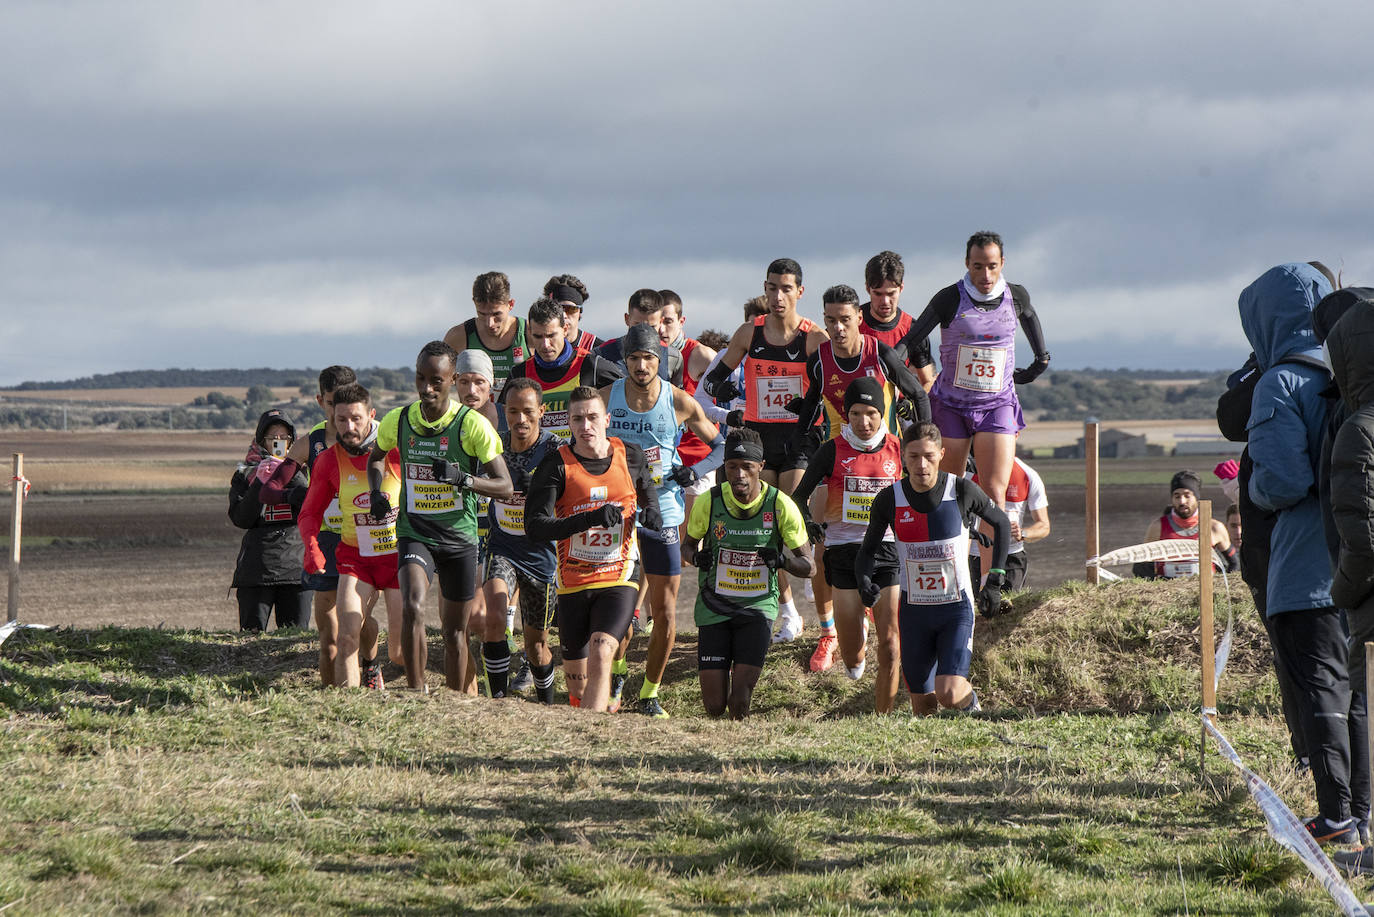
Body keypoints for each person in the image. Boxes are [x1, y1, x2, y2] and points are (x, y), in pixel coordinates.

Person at [1238, 261, 1360, 844]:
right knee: (1357, 695)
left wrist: (1256, 487)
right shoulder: (1350, 373)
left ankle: (1335, 818)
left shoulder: (1279, 382)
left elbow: (1282, 481)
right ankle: (1361, 814)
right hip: (1354, 562)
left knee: (1319, 692)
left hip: (1304, 564)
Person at [786, 284, 931, 668]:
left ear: (859, 319)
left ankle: (901, 620)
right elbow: (814, 398)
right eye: (830, 320)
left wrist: (924, 444)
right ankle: (829, 631)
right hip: (835, 459)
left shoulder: (879, 354)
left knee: (896, 540)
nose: (836, 328)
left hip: (886, 460)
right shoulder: (820, 358)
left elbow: (918, 393)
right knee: (820, 546)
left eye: (844, 320)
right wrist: (801, 437)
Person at [368, 341, 512, 692]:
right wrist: (376, 492)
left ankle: (455, 700)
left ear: (453, 380)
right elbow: (376, 456)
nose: (426, 388)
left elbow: (505, 486)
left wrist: (464, 479)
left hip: (460, 540)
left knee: (454, 632)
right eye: (420, 378)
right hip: (415, 532)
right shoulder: (399, 419)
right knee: (413, 606)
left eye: (436, 380)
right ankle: (417, 694)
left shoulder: (471, 425)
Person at [907, 232, 1050, 581]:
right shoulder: (949, 298)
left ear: (1002, 264)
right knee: (948, 487)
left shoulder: (1015, 295)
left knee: (992, 492)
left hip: (996, 405)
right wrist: (901, 376)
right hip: (952, 406)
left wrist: (1040, 358)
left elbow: (1029, 316)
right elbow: (912, 339)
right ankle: (944, 574)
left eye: (991, 266)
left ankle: (992, 581)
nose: (985, 276)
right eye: (977, 267)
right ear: (966, 264)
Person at [702, 259, 829, 643]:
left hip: (798, 441)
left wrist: (809, 406)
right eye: (772, 288)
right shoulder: (749, 332)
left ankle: (823, 613)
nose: (778, 296)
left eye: (786, 289)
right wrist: (725, 394)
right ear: (765, 288)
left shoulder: (813, 338)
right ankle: (789, 614)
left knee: (795, 516)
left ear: (799, 292)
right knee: (764, 529)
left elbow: (830, 388)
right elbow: (714, 380)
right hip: (757, 440)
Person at [602, 323, 724, 717]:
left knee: (666, 610)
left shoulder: (679, 401)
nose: (641, 365)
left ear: (662, 360)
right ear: (625, 360)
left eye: (649, 358)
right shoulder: (607, 398)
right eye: (634, 358)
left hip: (665, 512)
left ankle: (650, 694)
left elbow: (720, 445)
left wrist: (695, 469)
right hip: (618, 513)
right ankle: (618, 673)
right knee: (619, 608)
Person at [856, 422, 1011, 715]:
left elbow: (1001, 523)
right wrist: (864, 581)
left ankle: (973, 708)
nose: (921, 464)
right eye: (913, 456)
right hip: (914, 613)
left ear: (941, 454)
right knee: (924, 707)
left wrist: (994, 581)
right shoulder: (890, 499)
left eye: (928, 456)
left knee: (949, 692)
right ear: (902, 457)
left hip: (955, 610)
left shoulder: (961, 490)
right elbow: (867, 550)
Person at [525, 386, 662, 711]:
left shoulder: (629, 454)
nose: (586, 426)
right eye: (578, 419)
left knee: (602, 650)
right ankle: (593, 719)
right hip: (573, 582)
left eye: (592, 418)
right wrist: (587, 520)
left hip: (619, 575)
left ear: (606, 419)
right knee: (577, 686)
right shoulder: (555, 466)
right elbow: (534, 527)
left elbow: (645, 486)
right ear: (569, 424)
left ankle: (594, 734)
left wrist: (652, 510)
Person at [682, 428, 815, 718]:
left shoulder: (780, 505)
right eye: (732, 466)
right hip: (713, 606)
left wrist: (782, 561)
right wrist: (697, 557)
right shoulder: (710, 501)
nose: (739, 475)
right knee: (714, 706)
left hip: (757, 608)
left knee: (740, 701)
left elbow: (809, 567)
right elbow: (687, 547)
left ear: (761, 468)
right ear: (724, 467)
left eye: (747, 467)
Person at [791, 379, 904, 703]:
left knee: (892, 644)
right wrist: (810, 523)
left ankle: (884, 714)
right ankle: (856, 647)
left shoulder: (896, 449)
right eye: (855, 413)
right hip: (843, 552)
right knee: (853, 658)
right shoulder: (832, 450)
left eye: (871, 413)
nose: (864, 422)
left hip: (886, 548)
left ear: (882, 413)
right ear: (846, 413)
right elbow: (798, 497)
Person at [298, 383, 402, 689]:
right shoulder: (329, 460)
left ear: (371, 415)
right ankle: (351, 711)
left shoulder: (396, 452)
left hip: (397, 558)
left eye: (356, 418)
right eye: (341, 420)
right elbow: (309, 513)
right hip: (356, 559)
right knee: (346, 635)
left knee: (399, 651)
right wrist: (311, 546)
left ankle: (419, 691)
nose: (349, 427)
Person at [481, 377, 562, 702]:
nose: (520, 420)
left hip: (541, 556)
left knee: (536, 645)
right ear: (504, 411)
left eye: (528, 412)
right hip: (503, 547)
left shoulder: (555, 449)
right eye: (513, 411)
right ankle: (497, 699)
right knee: (496, 617)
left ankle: (546, 701)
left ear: (541, 411)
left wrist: (543, 491)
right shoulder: (494, 446)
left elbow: (574, 495)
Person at [282, 365, 357, 685]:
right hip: (325, 541)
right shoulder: (310, 442)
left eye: (347, 402)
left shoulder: (377, 435)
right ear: (319, 400)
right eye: (332, 403)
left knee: (357, 625)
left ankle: (371, 668)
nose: (340, 410)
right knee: (329, 634)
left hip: (363, 539)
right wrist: (300, 493)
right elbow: (272, 487)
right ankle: (329, 699)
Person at [228, 409, 312, 631]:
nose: (279, 442)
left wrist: (289, 472)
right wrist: (260, 483)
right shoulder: (245, 474)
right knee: (251, 637)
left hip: (296, 569)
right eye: (272, 438)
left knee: (294, 638)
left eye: (284, 438)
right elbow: (240, 518)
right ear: (260, 440)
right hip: (257, 570)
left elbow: (313, 506)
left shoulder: (308, 470)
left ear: (294, 441)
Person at [505, 297, 624, 441]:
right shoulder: (519, 374)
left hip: (579, 460)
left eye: (551, 335)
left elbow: (630, 391)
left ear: (565, 329)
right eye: (538, 336)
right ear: (529, 332)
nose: (545, 344)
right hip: (538, 461)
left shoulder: (590, 365)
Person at [659, 289, 720, 519]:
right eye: (658, 322)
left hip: (698, 460)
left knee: (691, 543)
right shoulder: (647, 358)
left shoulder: (699, 354)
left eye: (669, 321)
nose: (662, 329)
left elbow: (738, 385)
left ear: (681, 321)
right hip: (662, 462)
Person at [443, 271, 530, 400]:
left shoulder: (530, 333)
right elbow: (440, 381)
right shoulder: (458, 337)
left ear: (510, 304)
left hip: (519, 418)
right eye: (482, 314)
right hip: (475, 418)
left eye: (496, 314)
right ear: (474, 303)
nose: (490, 323)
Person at [969, 454, 1050, 593]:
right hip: (975, 556)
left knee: (1008, 609)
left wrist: (1022, 533)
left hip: (1011, 558)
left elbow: (1044, 526)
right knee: (977, 610)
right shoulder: (969, 471)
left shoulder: (1028, 475)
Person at [1133, 471, 1233, 579]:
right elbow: (1140, 568)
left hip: (1206, 593)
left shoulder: (1214, 528)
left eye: (1187, 495)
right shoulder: (1158, 527)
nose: (1182, 501)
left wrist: (1219, 584)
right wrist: (1163, 582)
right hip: (1169, 593)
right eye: (1177, 496)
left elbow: (1235, 564)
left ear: (1196, 497)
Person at [860, 251, 936, 390]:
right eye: (878, 293)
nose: (885, 301)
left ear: (901, 288)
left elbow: (928, 381)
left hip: (898, 409)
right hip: (854, 409)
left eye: (891, 293)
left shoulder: (913, 329)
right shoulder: (849, 323)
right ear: (867, 288)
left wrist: (912, 406)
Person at [593, 288, 686, 386]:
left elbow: (676, 398)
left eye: (651, 327)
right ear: (627, 319)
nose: (644, 332)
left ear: (660, 322)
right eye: (638, 325)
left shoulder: (673, 357)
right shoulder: (600, 355)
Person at [545, 274, 604, 353]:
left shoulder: (599, 349)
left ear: (579, 313)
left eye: (571, 309)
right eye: (557, 309)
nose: (564, 315)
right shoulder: (538, 346)